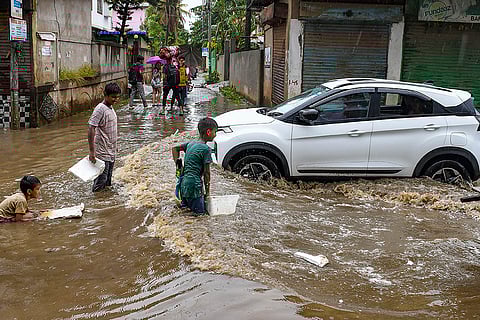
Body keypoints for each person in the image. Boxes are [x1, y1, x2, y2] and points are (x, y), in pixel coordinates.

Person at [171, 117, 218, 216]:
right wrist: (207, 194)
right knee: (200, 217)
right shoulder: (206, 149)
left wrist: (178, 164)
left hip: (184, 184)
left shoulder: (191, 143)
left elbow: (175, 149)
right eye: (215, 132)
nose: (216, 135)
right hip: (194, 186)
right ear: (208, 132)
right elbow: (206, 174)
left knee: (186, 212)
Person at [88, 82, 121, 192]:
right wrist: (92, 152)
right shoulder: (100, 109)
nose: (116, 99)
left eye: (117, 97)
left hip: (110, 151)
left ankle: (105, 202)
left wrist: (115, 146)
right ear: (105, 95)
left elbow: (111, 129)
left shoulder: (110, 108)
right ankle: (97, 204)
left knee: (108, 181)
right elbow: (91, 128)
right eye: (113, 97)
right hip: (101, 152)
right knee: (100, 181)